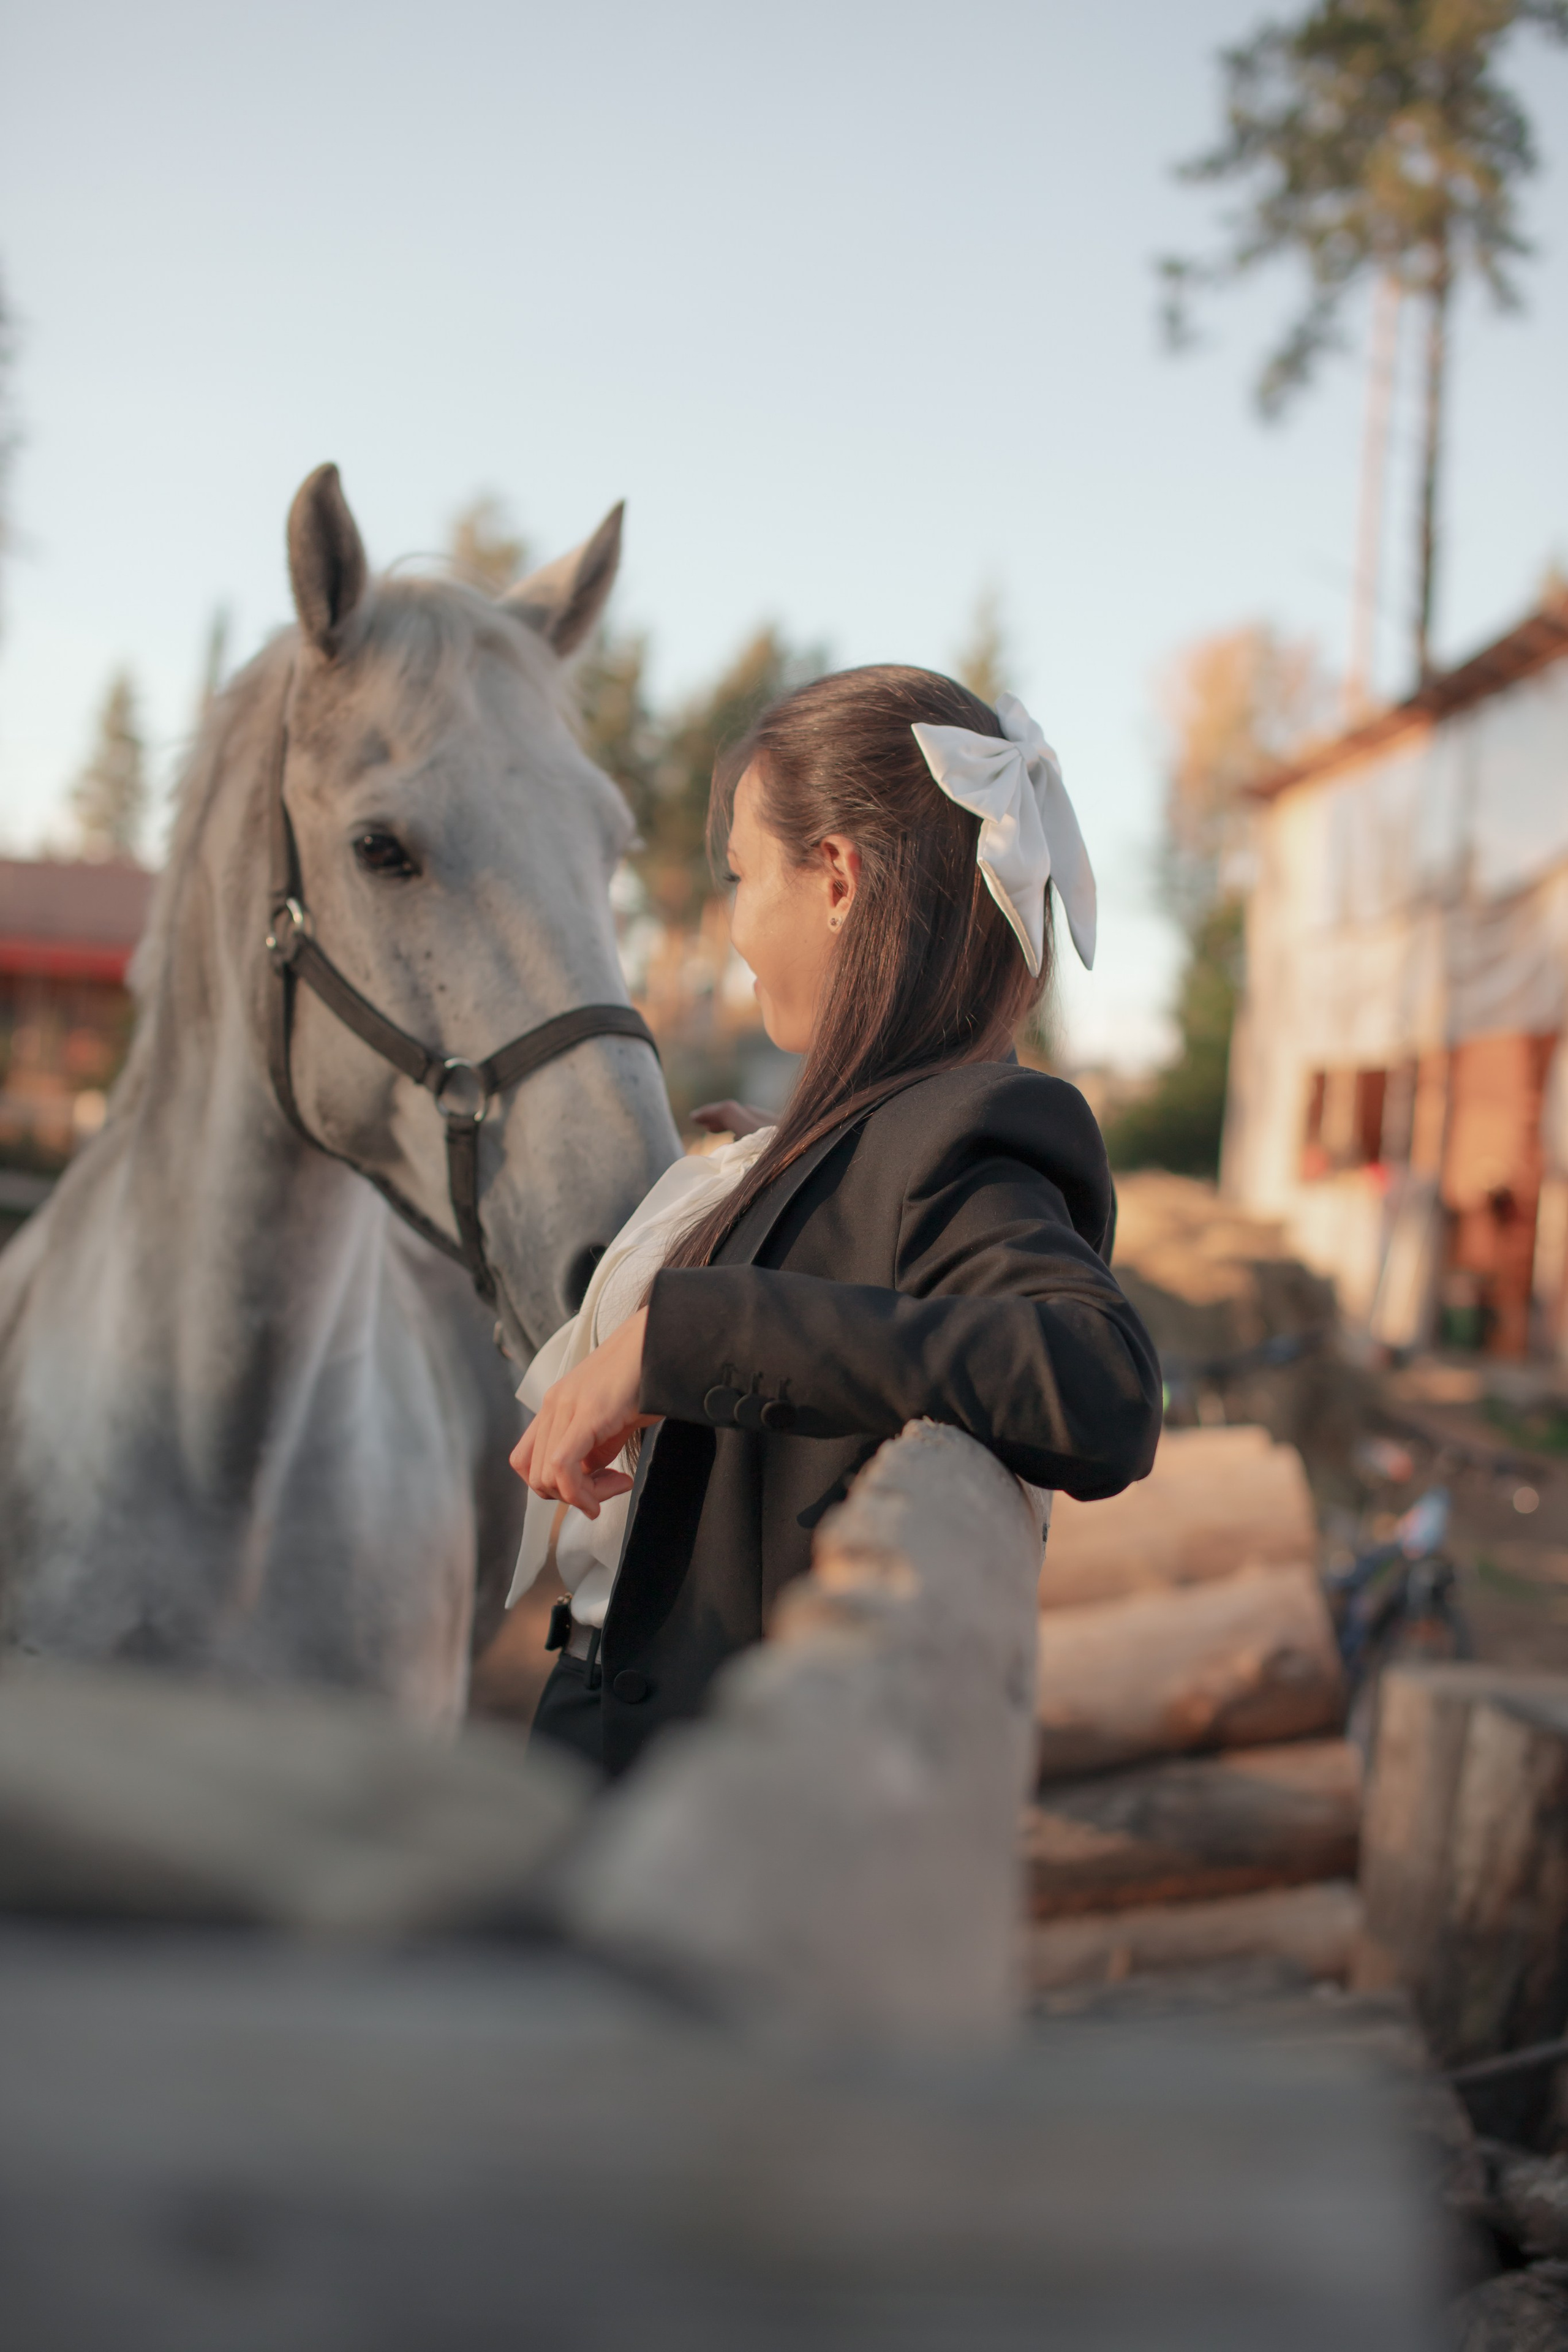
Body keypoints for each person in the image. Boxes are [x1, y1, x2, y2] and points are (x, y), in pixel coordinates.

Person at [510, 665, 1162, 1777]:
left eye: (740, 874)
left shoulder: (972, 1135)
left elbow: (1100, 1382)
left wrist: (684, 1337)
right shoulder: (884, 1138)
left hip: (701, 1804)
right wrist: (775, 1173)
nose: (732, 923)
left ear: (839, 879)